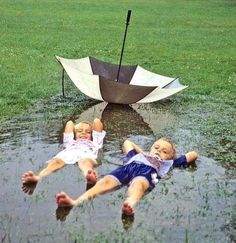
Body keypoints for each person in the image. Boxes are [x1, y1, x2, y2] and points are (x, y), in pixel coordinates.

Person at [55, 137, 198, 217]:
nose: (159, 151)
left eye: (164, 151)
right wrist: (144, 154)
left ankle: (130, 204)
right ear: (151, 148)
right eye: (156, 147)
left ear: (170, 156)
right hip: (127, 168)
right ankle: (75, 202)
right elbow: (127, 142)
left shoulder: (168, 163)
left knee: (139, 185)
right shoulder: (137, 156)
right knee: (105, 181)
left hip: (147, 173)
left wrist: (172, 158)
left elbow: (193, 154)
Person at [22, 118, 106, 195]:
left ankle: (89, 175)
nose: (84, 133)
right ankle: (37, 177)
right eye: (80, 131)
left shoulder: (95, 142)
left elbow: (96, 122)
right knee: (57, 161)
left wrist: (82, 128)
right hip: (69, 152)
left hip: (87, 152)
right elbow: (69, 123)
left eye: (88, 132)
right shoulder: (69, 142)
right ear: (74, 134)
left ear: (92, 135)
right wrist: (76, 128)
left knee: (85, 162)